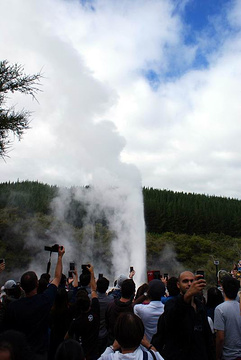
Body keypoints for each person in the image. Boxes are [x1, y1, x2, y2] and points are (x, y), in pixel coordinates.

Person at [5, 245, 65, 360]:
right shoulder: (44, 301)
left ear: (21, 287)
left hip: (18, 355)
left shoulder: (13, 307)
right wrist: (60, 257)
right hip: (39, 354)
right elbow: (57, 278)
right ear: (37, 284)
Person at [152, 271, 215, 360]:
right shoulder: (171, 304)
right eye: (185, 281)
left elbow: (207, 337)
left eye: (192, 281)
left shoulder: (200, 306)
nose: (189, 284)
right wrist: (187, 296)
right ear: (178, 285)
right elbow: (171, 319)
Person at [65, 264, 100, 360]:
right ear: (89, 302)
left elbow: (67, 337)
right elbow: (93, 290)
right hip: (93, 351)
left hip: (79, 351)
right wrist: (92, 273)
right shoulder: (94, 310)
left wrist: (76, 276)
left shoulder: (76, 320)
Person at [99, 312, 164, 360]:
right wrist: (149, 345)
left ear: (117, 338)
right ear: (141, 336)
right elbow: (158, 356)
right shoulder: (150, 356)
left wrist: (112, 348)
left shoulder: (108, 357)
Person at [214, 275, 241, 360]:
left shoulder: (220, 309)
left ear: (223, 290)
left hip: (228, 355)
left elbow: (220, 338)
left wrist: (217, 356)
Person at [106, 279, 135, 345]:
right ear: (133, 292)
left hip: (112, 342)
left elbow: (107, 324)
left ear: (121, 290)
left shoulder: (111, 306)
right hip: (129, 344)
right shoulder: (133, 308)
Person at [96, 276, 113, 356]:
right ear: (107, 288)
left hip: (93, 333)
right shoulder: (111, 301)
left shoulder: (91, 298)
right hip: (105, 333)